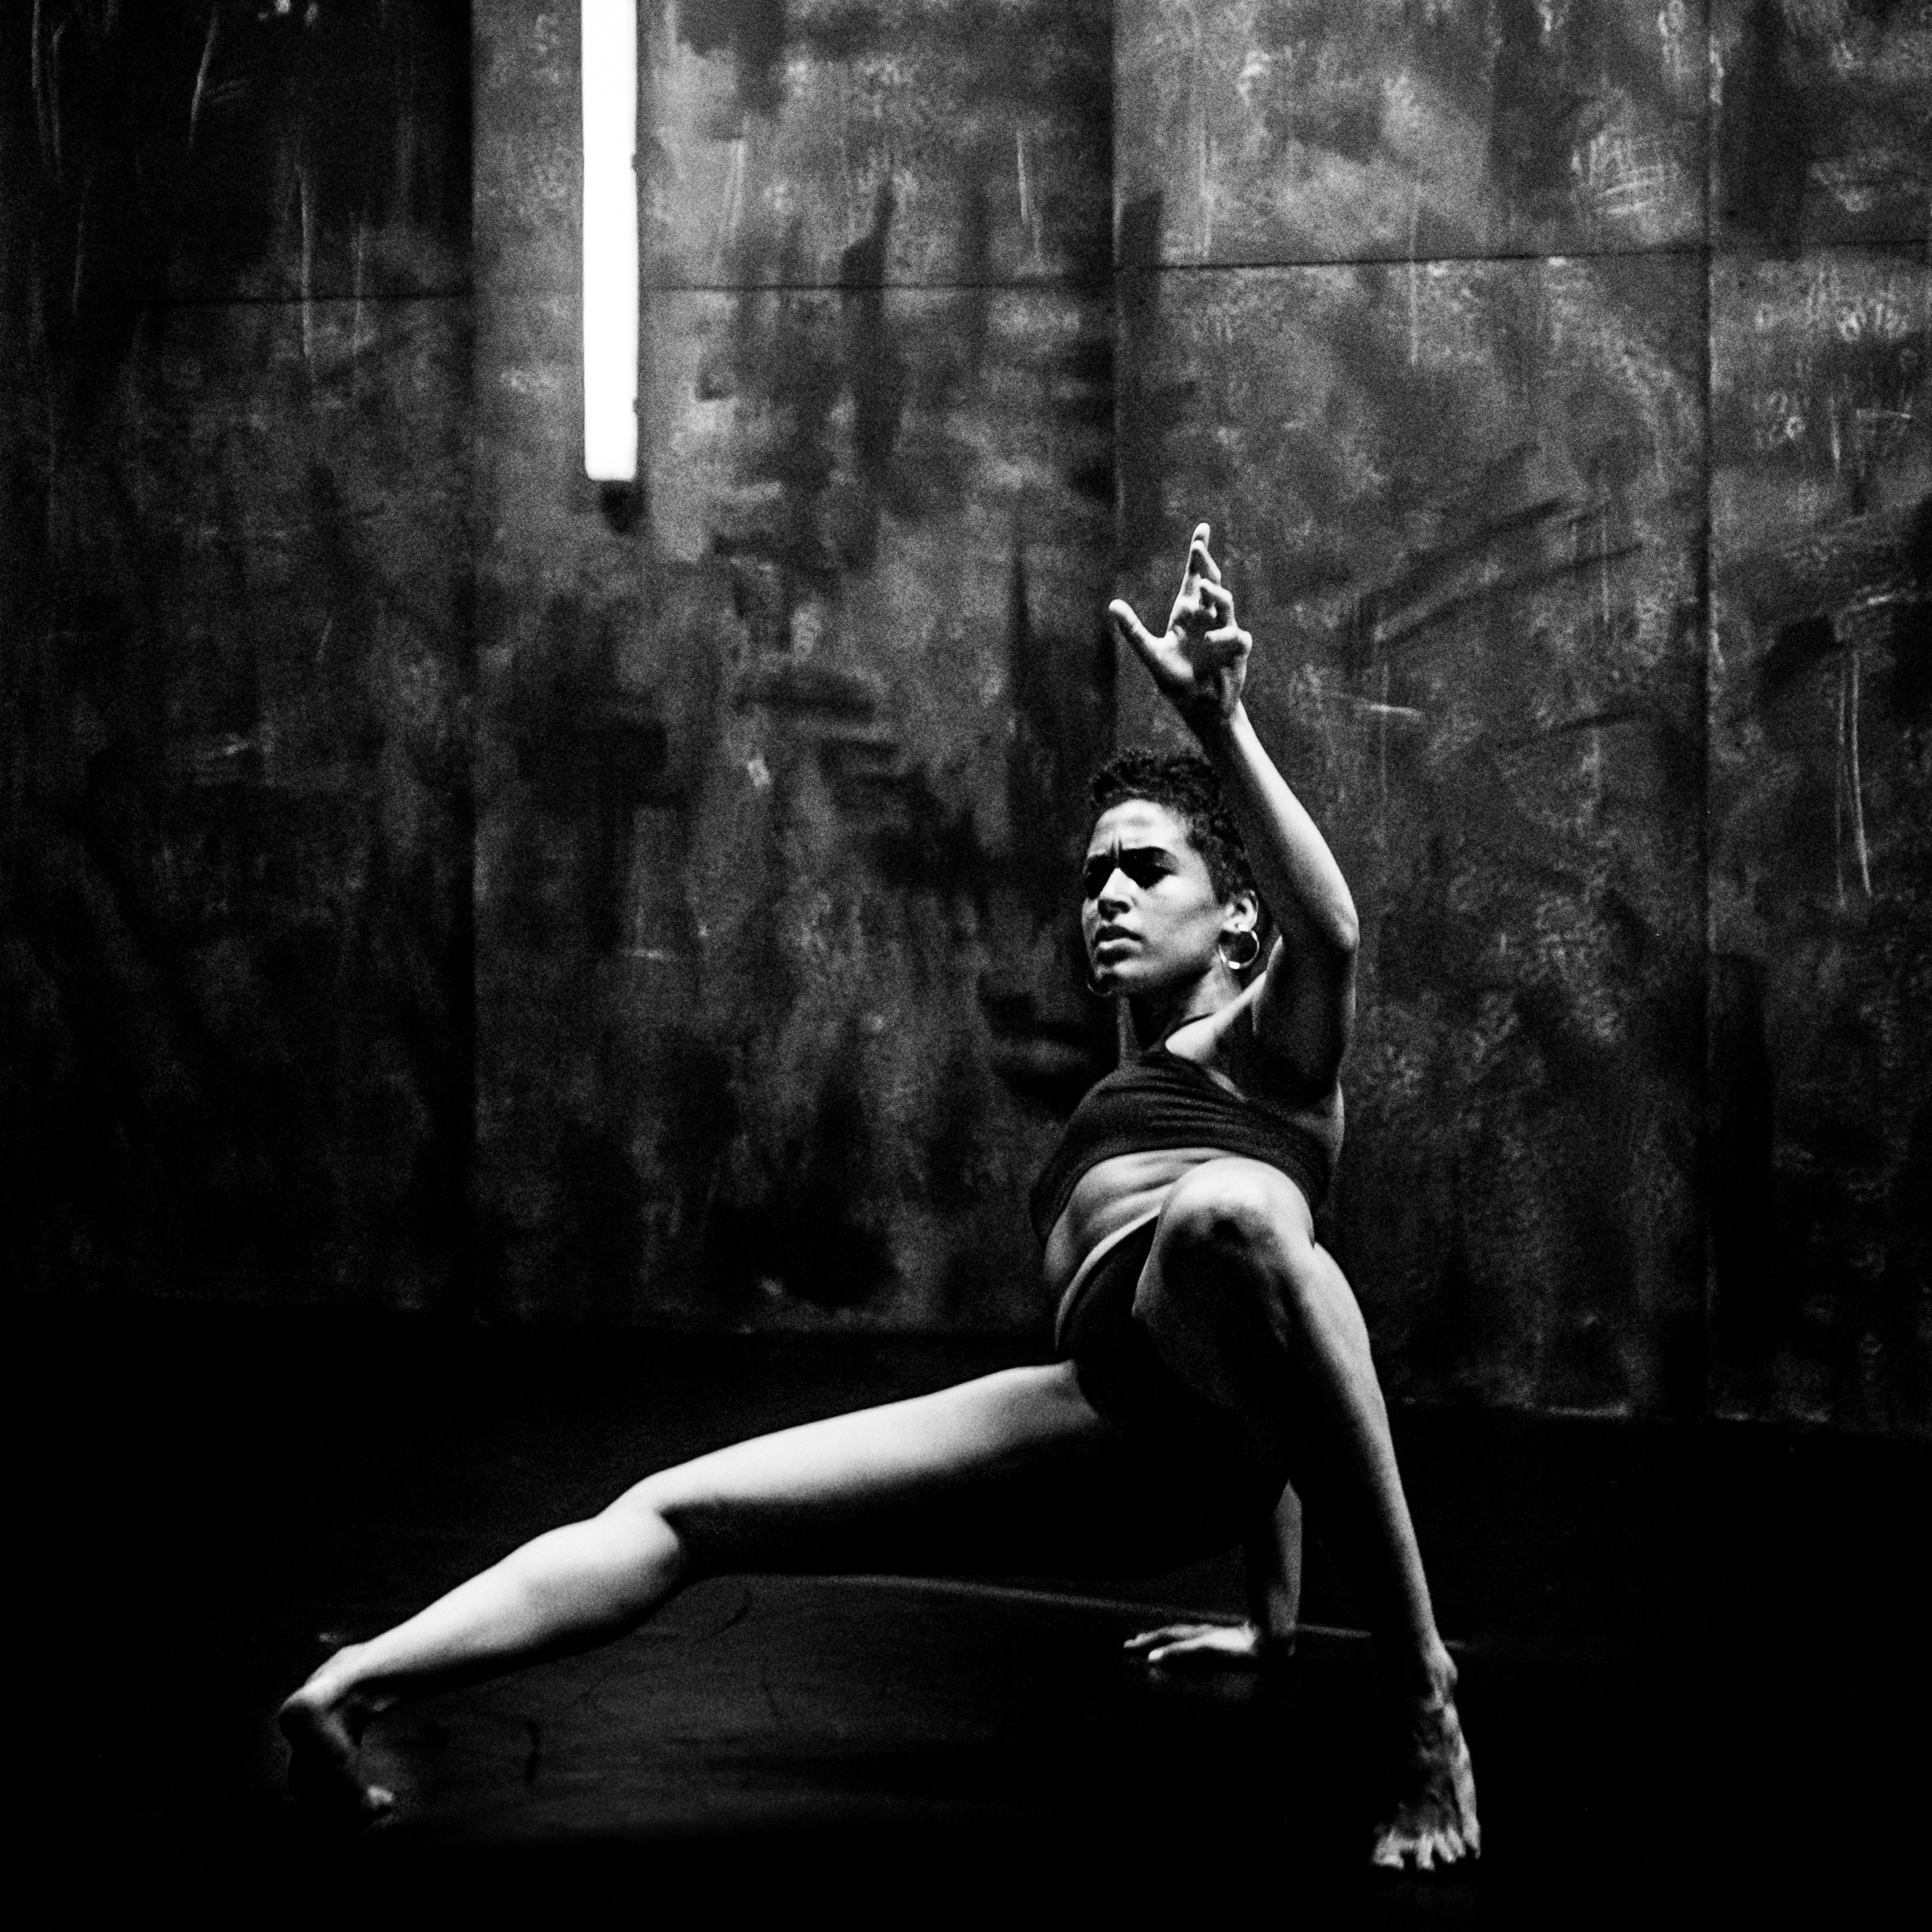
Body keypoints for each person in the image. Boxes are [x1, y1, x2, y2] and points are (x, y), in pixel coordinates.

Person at [281, 525, 1479, 1871]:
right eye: (1092, 875)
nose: (1108, 895)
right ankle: (354, 1688)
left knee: (1230, 1223)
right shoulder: (1129, 1091)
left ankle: (1423, 1705)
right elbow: (1258, 1363)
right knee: (678, 1510)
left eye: (1147, 869)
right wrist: (1267, 1620)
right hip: (1114, 1438)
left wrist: (1221, 720)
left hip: (1206, 1406)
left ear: (1238, 922)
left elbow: (1331, 950)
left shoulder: (1274, 1047)